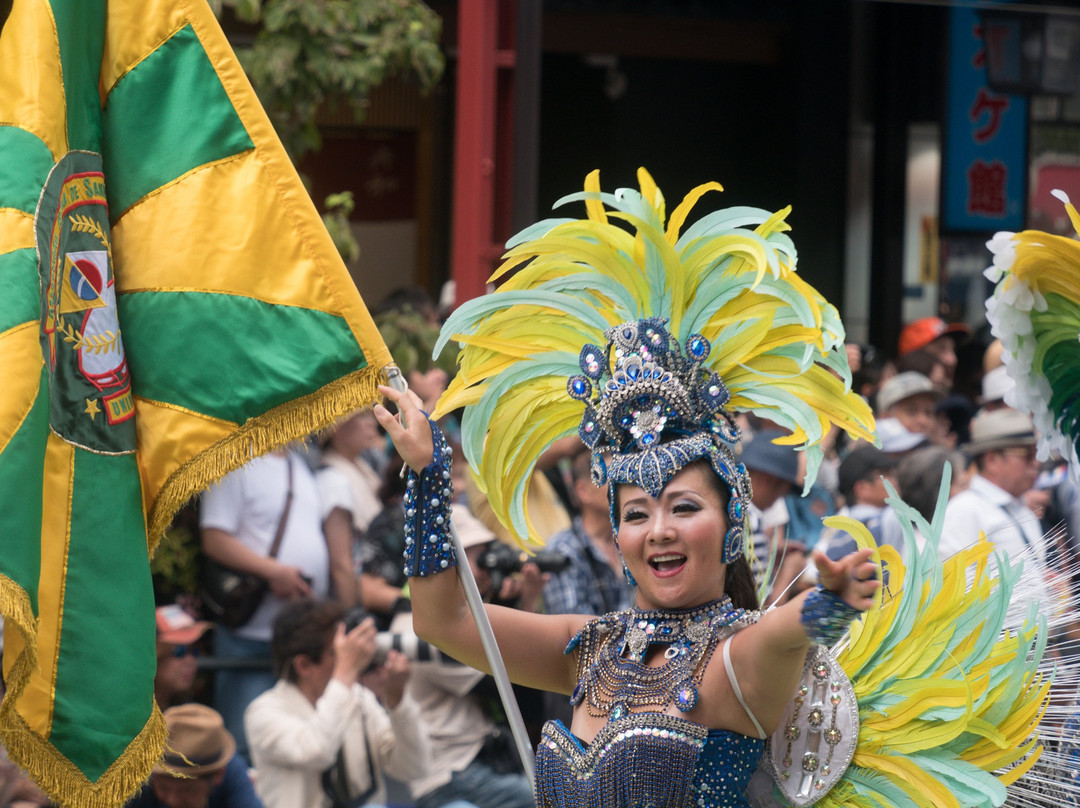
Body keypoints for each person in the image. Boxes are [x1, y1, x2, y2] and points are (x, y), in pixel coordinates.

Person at [200, 448, 332, 761]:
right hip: (249, 638)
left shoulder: (299, 464)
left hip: (297, 639)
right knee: (243, 747)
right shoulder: (234, 460)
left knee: (300, 746)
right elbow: (214, 538)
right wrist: (273, 572)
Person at [244, 598, 430, 808]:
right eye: (341, 651)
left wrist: (398, 701)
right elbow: (317, 751)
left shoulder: (358, 697)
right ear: (304, 665)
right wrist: (345, 675)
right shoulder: (263, 712)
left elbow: (414, 768)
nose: (353, 656)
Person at [940, 408, 1045, 561]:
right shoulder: (965, 510)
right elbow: (953, 578)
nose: (1036, 462)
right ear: (992, 460)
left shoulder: (1021, 506)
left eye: (1035, 453)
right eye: (1027, 455)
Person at [542, 448, 631, 617]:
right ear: (582, 491)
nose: (623, 485)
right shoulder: (563, 548)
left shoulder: (631, 536)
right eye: (612, 477)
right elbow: (575, 633)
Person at [128, 703, 263, 808]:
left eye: (186, 790)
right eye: (163, 788)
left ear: (218, 775)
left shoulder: (233, 772)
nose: (172, 800)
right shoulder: (137, 781)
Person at [317, 409, 386, 608]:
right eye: (362, 416)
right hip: (361, 599)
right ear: (336, 427)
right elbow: (342, 565)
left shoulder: (361, 467)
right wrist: (352, 617)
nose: (372, 423)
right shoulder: (332, 479)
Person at [155, 603, 212, 709]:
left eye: (194, 651)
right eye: (180, 650)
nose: (190, 660)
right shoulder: (129, 711)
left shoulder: (190, 712)